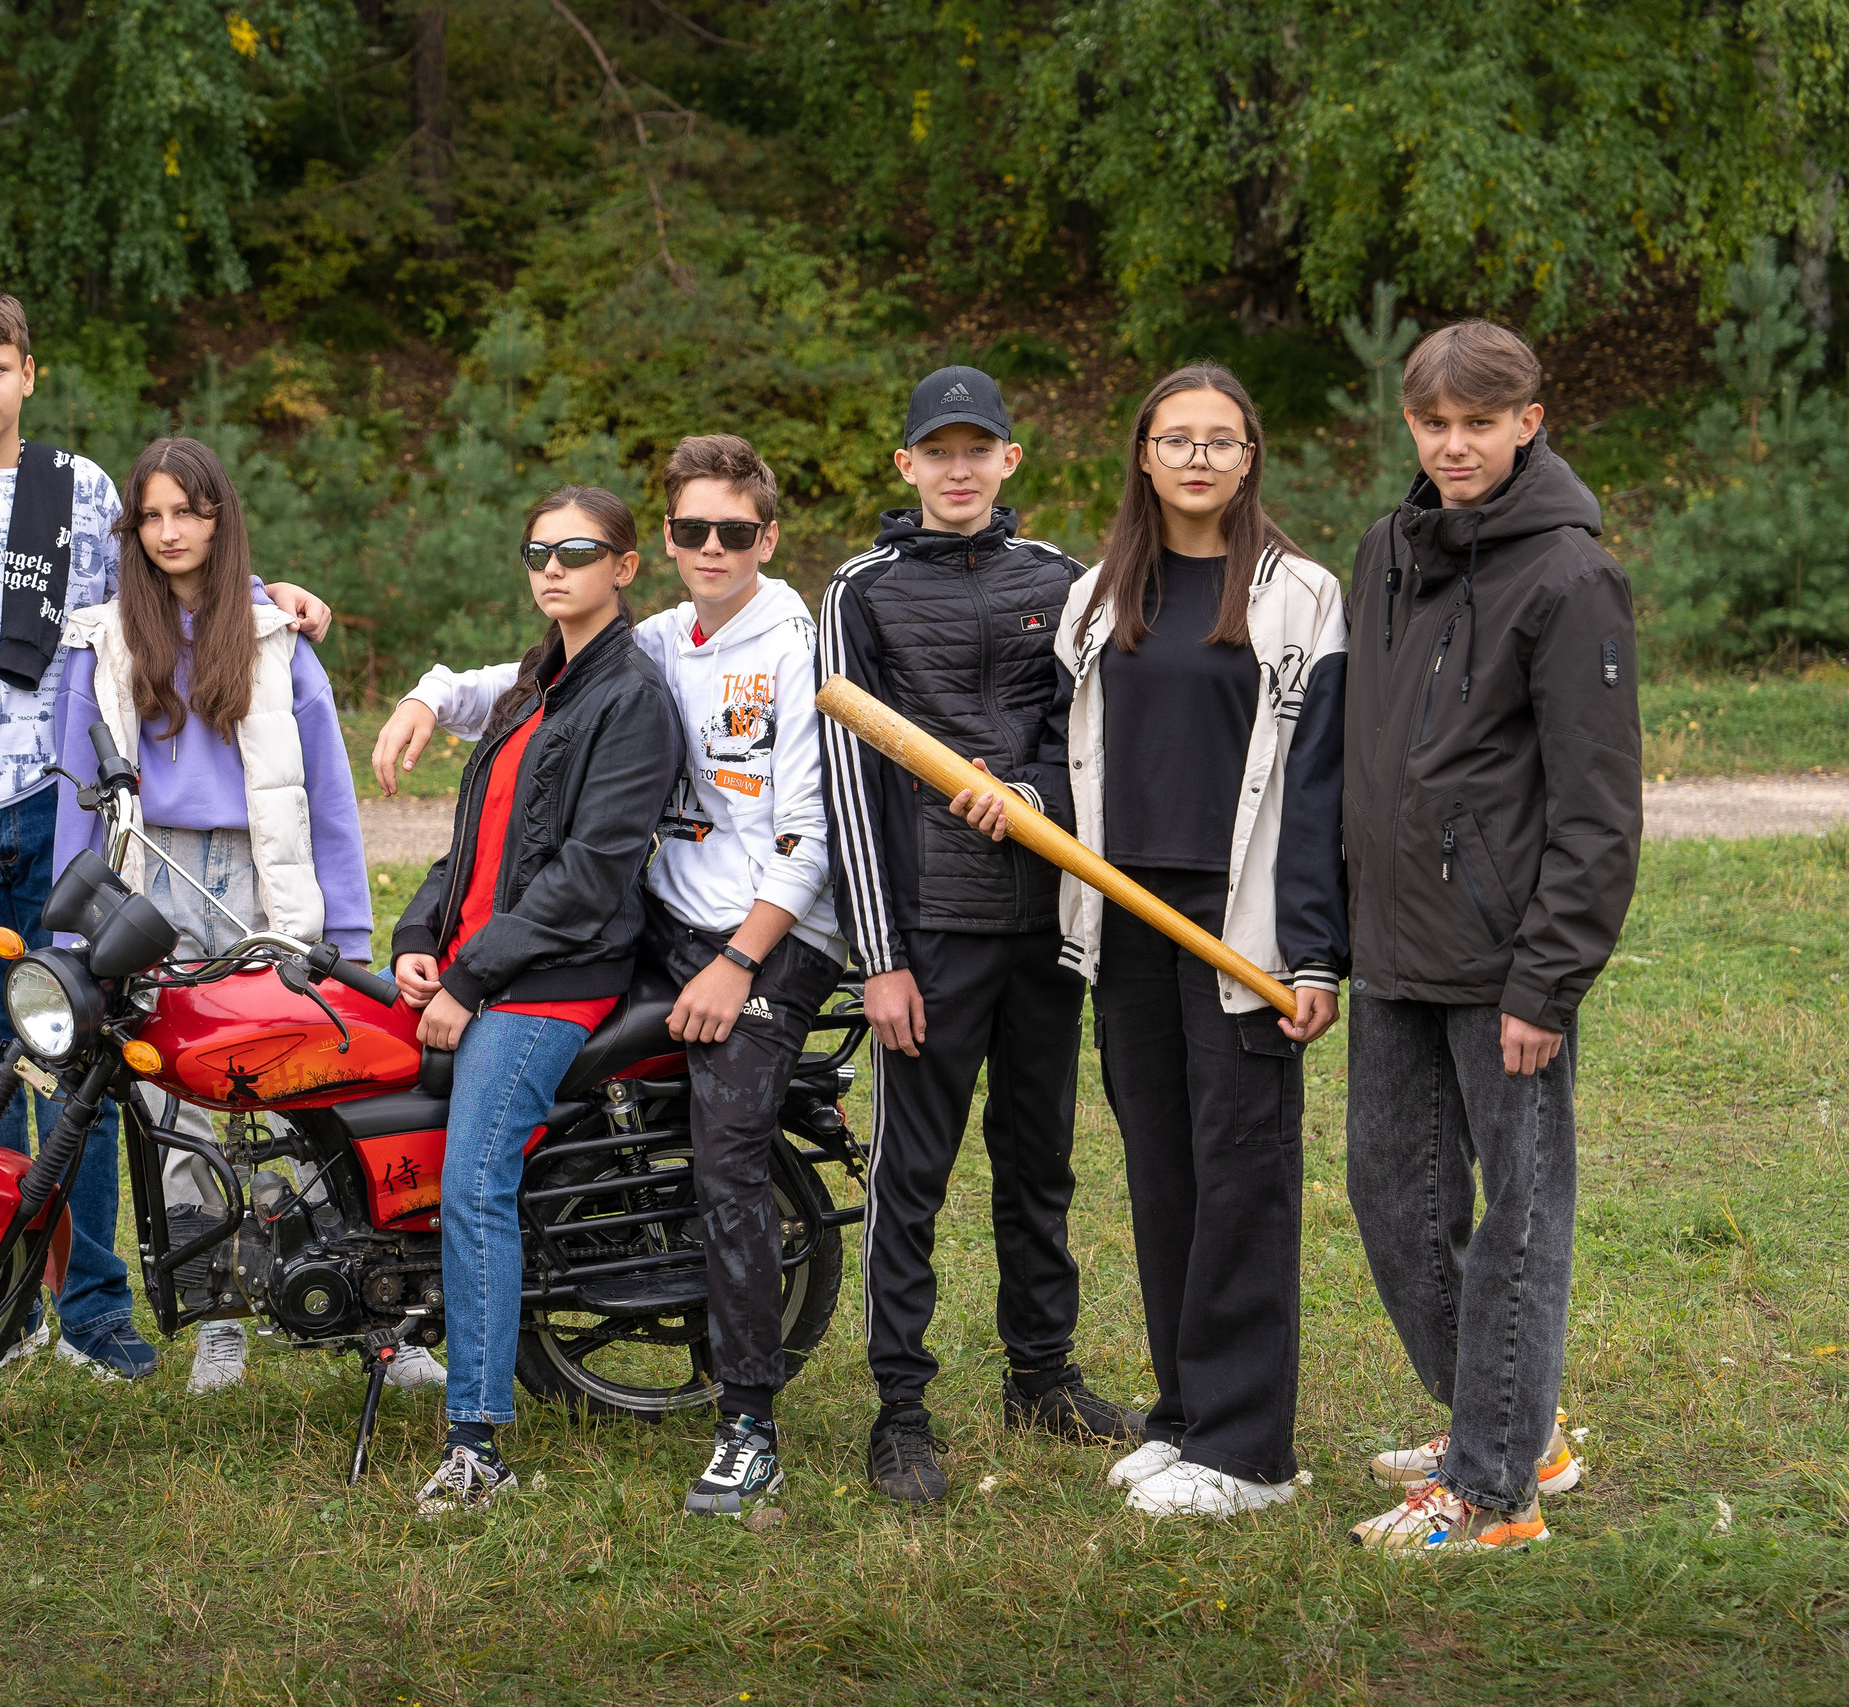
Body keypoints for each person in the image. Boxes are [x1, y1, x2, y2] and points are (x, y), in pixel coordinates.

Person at [0, 287, 341, 1384]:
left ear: (29, 374)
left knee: (89, 1059)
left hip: (74, 818)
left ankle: (93, 1307)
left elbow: (163, 594)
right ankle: (2, 1301)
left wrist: (273, 598)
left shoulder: (79, 492)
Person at [374, 434, 844, 1518]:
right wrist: (429, 693)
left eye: (733, 531)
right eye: (692, 529)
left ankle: (746, 1427)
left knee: (724, 1158)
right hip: (662, 927)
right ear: (665, 543)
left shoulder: (787, 650)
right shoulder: (661, 641)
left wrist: (737, 961)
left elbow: (802, 841)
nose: (710, 547)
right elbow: (511, 745)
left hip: (758, 935)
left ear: (766, 538)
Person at [978, 363, 1346, 1519]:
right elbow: (1062, 749)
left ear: (1250, 459)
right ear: (1142, 455)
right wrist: (1026, 797)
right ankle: (1184, 1416)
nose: (1196, 457)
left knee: (1243, 1178)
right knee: (1163, 1170)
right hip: (1123, 915)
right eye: (1174, 438)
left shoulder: (1302, 596)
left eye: (1219, 440)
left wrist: (1314, 954)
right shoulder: (1097, 597)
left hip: (1239, 929)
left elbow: (1321, 788)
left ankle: (1251, 1455)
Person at [48, 436, 434, 1395]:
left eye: (192, 511)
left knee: (295, 1088)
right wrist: (74, 931)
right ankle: (218, 1313)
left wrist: (342, 934)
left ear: (222, 518)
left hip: (263, 881)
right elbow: (76, 796)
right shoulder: (101, 641)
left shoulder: (275, 639)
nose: (172, 531)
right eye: (154, 515)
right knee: (172, 1102)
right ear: (132, 528)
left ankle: (359, 1306)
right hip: (152, 879)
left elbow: (330, 800)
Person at [820, 365, 1140, 1505]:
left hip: (1045, 922)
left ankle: (1042, 1377)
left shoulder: (1062, 582)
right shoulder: (858, 589)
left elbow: (1082, 740)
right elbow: (847, 782)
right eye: (936, 452)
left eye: (979, 449)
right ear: (905, 467)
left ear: (1010, 461)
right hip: (930, 931)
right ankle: (899, 1409)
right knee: (913, 1173)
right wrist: (881, 958)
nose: (958, 470)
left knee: (1037, 1161)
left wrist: (1035, 798)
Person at [1341, 321, 1635, 1552]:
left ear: (1528, 421)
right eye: (1432, 422)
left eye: (1479, 422)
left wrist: (1545, 981)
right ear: (1409, 425)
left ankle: (1495, 1489)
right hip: (1388, 947)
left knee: (1514, 1216)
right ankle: (1506, 1421)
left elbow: (1598, 812)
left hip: (1503, 964)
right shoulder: (1387, 553)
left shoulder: (1570, 577)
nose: (1453, 445)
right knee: (1389, 1199)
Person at [390, 488, 683, 1516]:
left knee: (473, 1181)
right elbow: (474, 848)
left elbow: (591, 873)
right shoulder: (536, 687)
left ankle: (477, 1447)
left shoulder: (629, 697)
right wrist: (419, 937)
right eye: (537, 551)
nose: (552, 568)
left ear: (625, 566)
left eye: (577, 551)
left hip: (552, 980)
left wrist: (472, 978)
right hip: (485, 965)